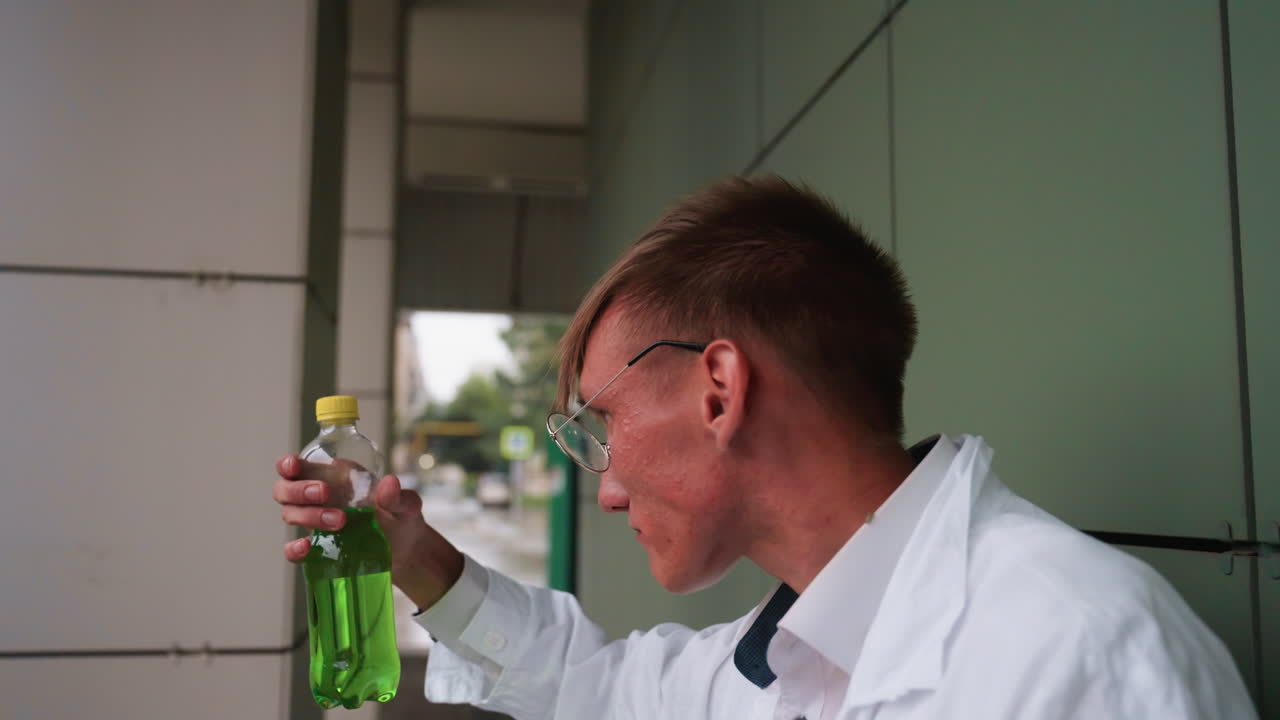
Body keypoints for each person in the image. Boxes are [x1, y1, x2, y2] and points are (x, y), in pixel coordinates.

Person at [274, 176, 1256, 719]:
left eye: (597, 430)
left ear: (717, 389)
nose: (605, 492)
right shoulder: (782, 654)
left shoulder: (1085, 656)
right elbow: (583, 686)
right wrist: (412, 556)